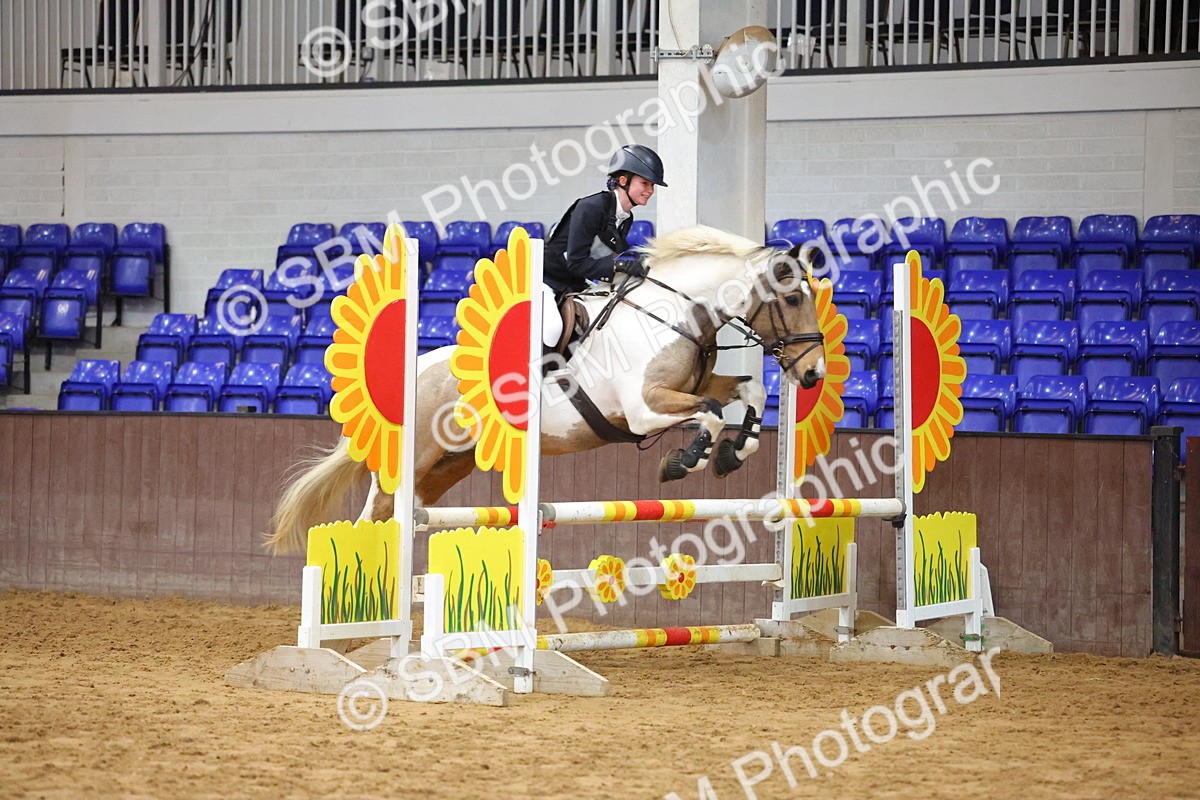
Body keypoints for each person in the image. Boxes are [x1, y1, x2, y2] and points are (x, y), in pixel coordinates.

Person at [543, 144, 667, 302]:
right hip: (548, 279)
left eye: (652, 185)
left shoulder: (627, 218)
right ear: (623, 181)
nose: (650, 190)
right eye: (645, 183)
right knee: (553, 325)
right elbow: (576, 263)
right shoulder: (591, 207)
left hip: (575, 282)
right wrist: (618, 266)